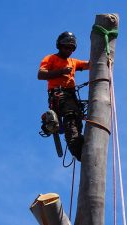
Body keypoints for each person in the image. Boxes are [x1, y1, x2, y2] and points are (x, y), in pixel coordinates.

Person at [38, 31, 89, 161]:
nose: (69, 50)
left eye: (72, 48)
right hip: (59, 94)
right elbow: (41, 74)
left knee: (76, 119)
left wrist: (105, 59)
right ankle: (75, 145)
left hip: (71, 96)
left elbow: (88, 64)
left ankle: (78, 142)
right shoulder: (51, 58)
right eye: (66, 47)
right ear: (59, 46)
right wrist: (61, 72)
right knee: (71, 118)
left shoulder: (73, 62)